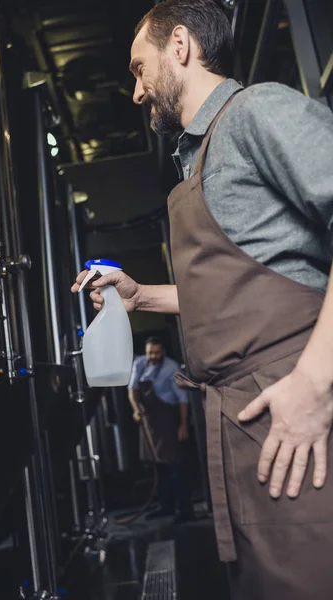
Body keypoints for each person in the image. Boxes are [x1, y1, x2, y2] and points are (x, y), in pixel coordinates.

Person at [72, 1, 333, 598]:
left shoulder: (256, 111)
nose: (136, 92)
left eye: (140, 69)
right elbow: (241, 290)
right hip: (242, 434)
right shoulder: (198, 156)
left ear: (181, 46)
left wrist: (316, 385)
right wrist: (141, 297)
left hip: (299, 418)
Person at [128, 336, 195, 524]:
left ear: (163, 352)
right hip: (150, 422)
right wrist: (136, 409)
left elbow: (183, 399)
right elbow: (132, 390)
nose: (153, 356)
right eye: (150, 352)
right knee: (159, 467)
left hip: (169, 419)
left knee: (176, 466)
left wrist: (183, 425)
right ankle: (166, 506)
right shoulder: (139, 364)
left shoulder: (171, 368)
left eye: (157, 352)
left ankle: (184, 509)